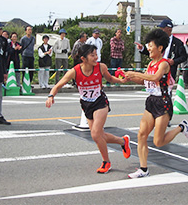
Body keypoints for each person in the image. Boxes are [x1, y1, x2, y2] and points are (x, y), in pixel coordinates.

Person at [46, 44, 131, 174]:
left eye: (96, 54)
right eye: (92, 55)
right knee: (99, 136)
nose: (95, 57)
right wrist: (51, 96)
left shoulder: (100, 67)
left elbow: (110, 78)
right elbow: (58, 85)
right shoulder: (74, 71)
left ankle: (106, 162)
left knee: (96, 133)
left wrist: (122, 81)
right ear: (83, 58)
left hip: (100, 102)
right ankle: (122, 141)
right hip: (86, 105)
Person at [125, 29, 188, 178]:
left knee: (158, 141)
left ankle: (182, 127)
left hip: (163, 103)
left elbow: (155, 78)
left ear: (160, 48)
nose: (148, 49)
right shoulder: (150, 63)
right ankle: (143, 169)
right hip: (151, 102)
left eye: (150, 46)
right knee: (141, 135)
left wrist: (135, 73)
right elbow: (144, 80)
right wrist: (129, 77)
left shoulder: (164, 64)